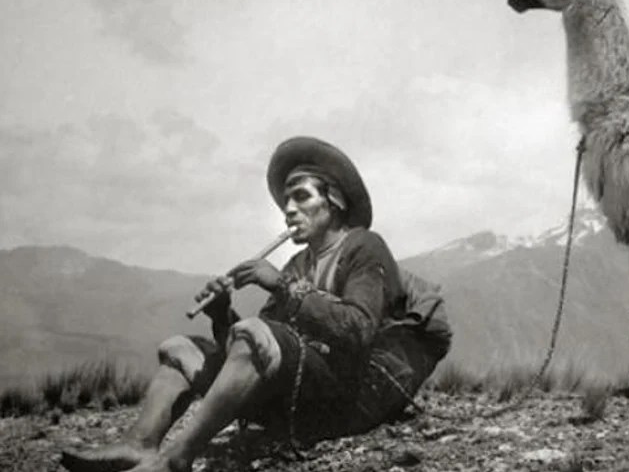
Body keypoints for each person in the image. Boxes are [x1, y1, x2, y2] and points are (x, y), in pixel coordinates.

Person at [61, 136, 452, 472]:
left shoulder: (364, 246)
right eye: (286, 201)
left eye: (301, 196)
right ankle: (139, 443)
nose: (289, 209)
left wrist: (281, 286)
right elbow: (255, 350)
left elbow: (359, 328)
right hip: (302, 388)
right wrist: (221, 314)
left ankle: (175, 460)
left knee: (255, 335)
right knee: (181, 349)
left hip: (350, 397)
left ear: (333, 200)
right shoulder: (299, 264)